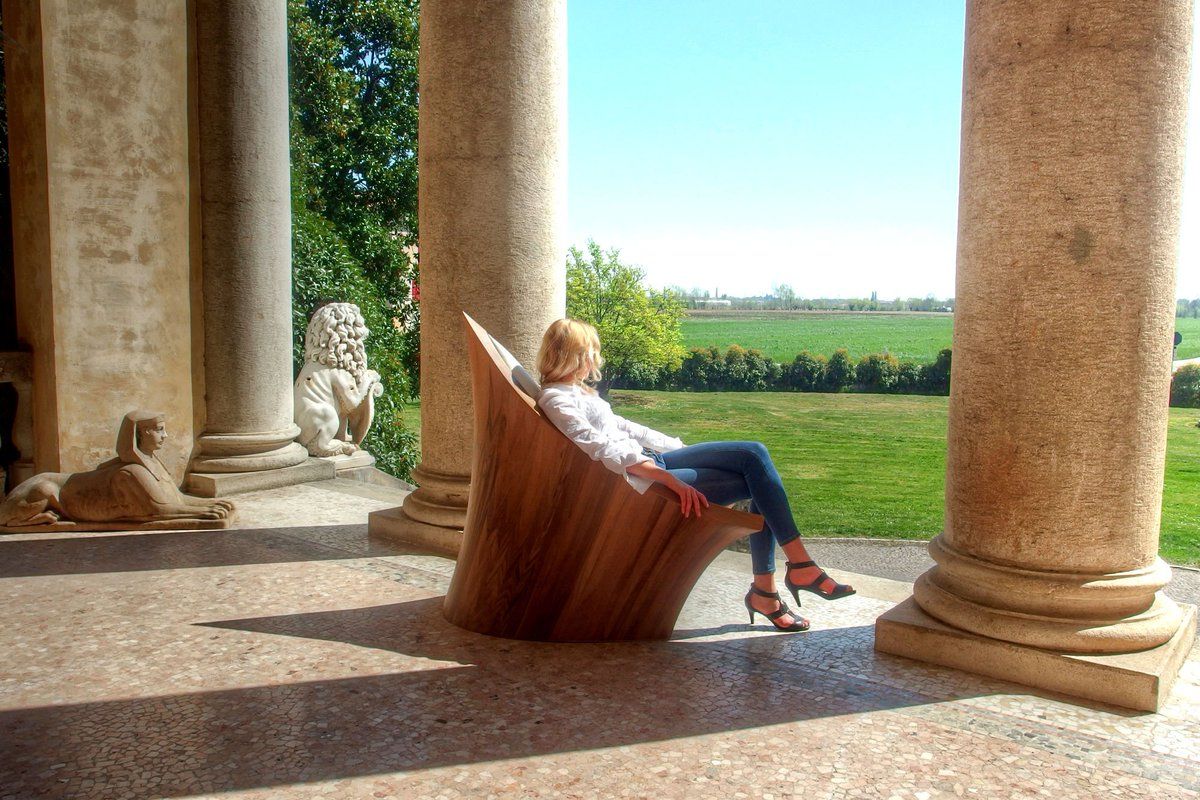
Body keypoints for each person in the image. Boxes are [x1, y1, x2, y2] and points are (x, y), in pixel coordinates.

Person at [535, 319, 854, 632]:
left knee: (755, 461)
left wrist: (684, 449)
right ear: (575, 354)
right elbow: (601, 448)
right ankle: (788, 576)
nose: (595, 359)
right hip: (641, 480)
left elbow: (625, 427)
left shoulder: (580, 393)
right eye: (590, 351)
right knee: (757, 470)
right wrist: (667, 477)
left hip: (656, 461)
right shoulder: (555, 399)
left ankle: (776, 586)